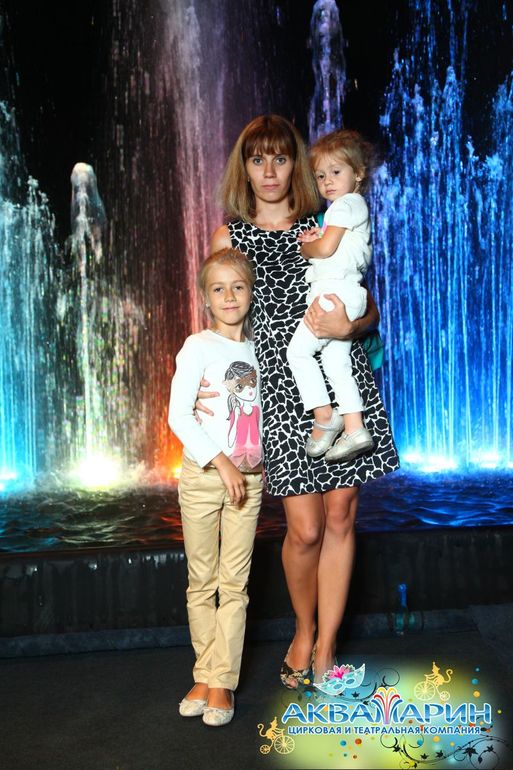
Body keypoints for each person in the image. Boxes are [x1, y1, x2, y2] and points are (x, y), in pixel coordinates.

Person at [202, 114, 399, 690]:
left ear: (297, 166)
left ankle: (325, 645)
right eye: (257, 159)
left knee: (340, 517)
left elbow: (368, 304)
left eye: (281, 158)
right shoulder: (229, 238)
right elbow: (219, 328)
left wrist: (351, 326)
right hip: (280, 391)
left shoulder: (326, 220)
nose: (269, 171)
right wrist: (213, 397)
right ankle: (304, 627)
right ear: (244, 168)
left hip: (340, 377)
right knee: (306, 529)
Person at [168, 247, 263, 726]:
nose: (229, 296)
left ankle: (221, 680)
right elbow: (178, 415)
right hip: (204, 477)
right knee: (201, 580)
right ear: (205, 298)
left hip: (251, 480)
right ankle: (204, 672)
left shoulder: (262, 349)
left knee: (235, 583)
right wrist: (221, 461)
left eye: (238, 287)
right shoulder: (198, 346)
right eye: (219, 289)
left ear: (251, 293)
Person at [287, 129, 375, 463]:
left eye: (336, 172)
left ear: (358, 173)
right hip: (349, 295)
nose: (327, 182)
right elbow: (334, 248)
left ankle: (325, 416)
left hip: (333, 294)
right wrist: (320, 238)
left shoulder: (344, 204)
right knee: (337, 365)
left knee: (298, 353)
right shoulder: (352, 208)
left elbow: (323, 250)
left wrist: (307, 247)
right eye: (321, 176)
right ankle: (355, 428)